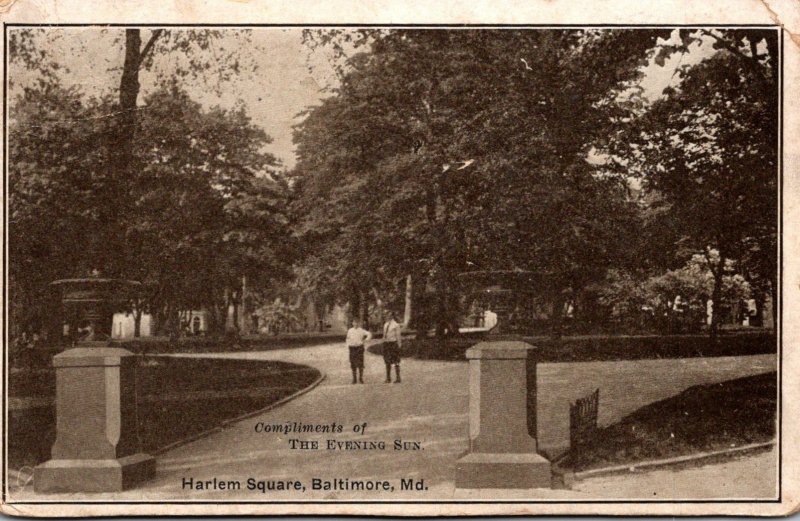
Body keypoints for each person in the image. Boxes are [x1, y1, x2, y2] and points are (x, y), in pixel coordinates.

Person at [345, 318, 372, 384]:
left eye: (357, 323)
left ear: (359, 323)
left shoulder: (361, 330)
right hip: (352, 348)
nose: (355, 324)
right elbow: (347, 339)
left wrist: (365, 340)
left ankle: (361, 378)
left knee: (360, 363)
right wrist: (348, 345)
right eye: (354, 322)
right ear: (352, 323)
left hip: (359, 348)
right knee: (353, 363)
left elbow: (369, 334)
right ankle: (354, 379)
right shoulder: (350, 330)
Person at [382, 311, 402, 383]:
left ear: (392, 316)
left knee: (396, 360)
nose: (388, 316)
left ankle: (398, 377)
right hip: (386, 344)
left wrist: (399, 345)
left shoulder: (396, 325)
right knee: (387, 361)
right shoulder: (385, 324)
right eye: (387, 315)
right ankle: (388, 378)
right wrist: (383, 341)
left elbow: (398, 336)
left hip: (393, 344)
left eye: (389, 315)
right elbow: (384, 335)